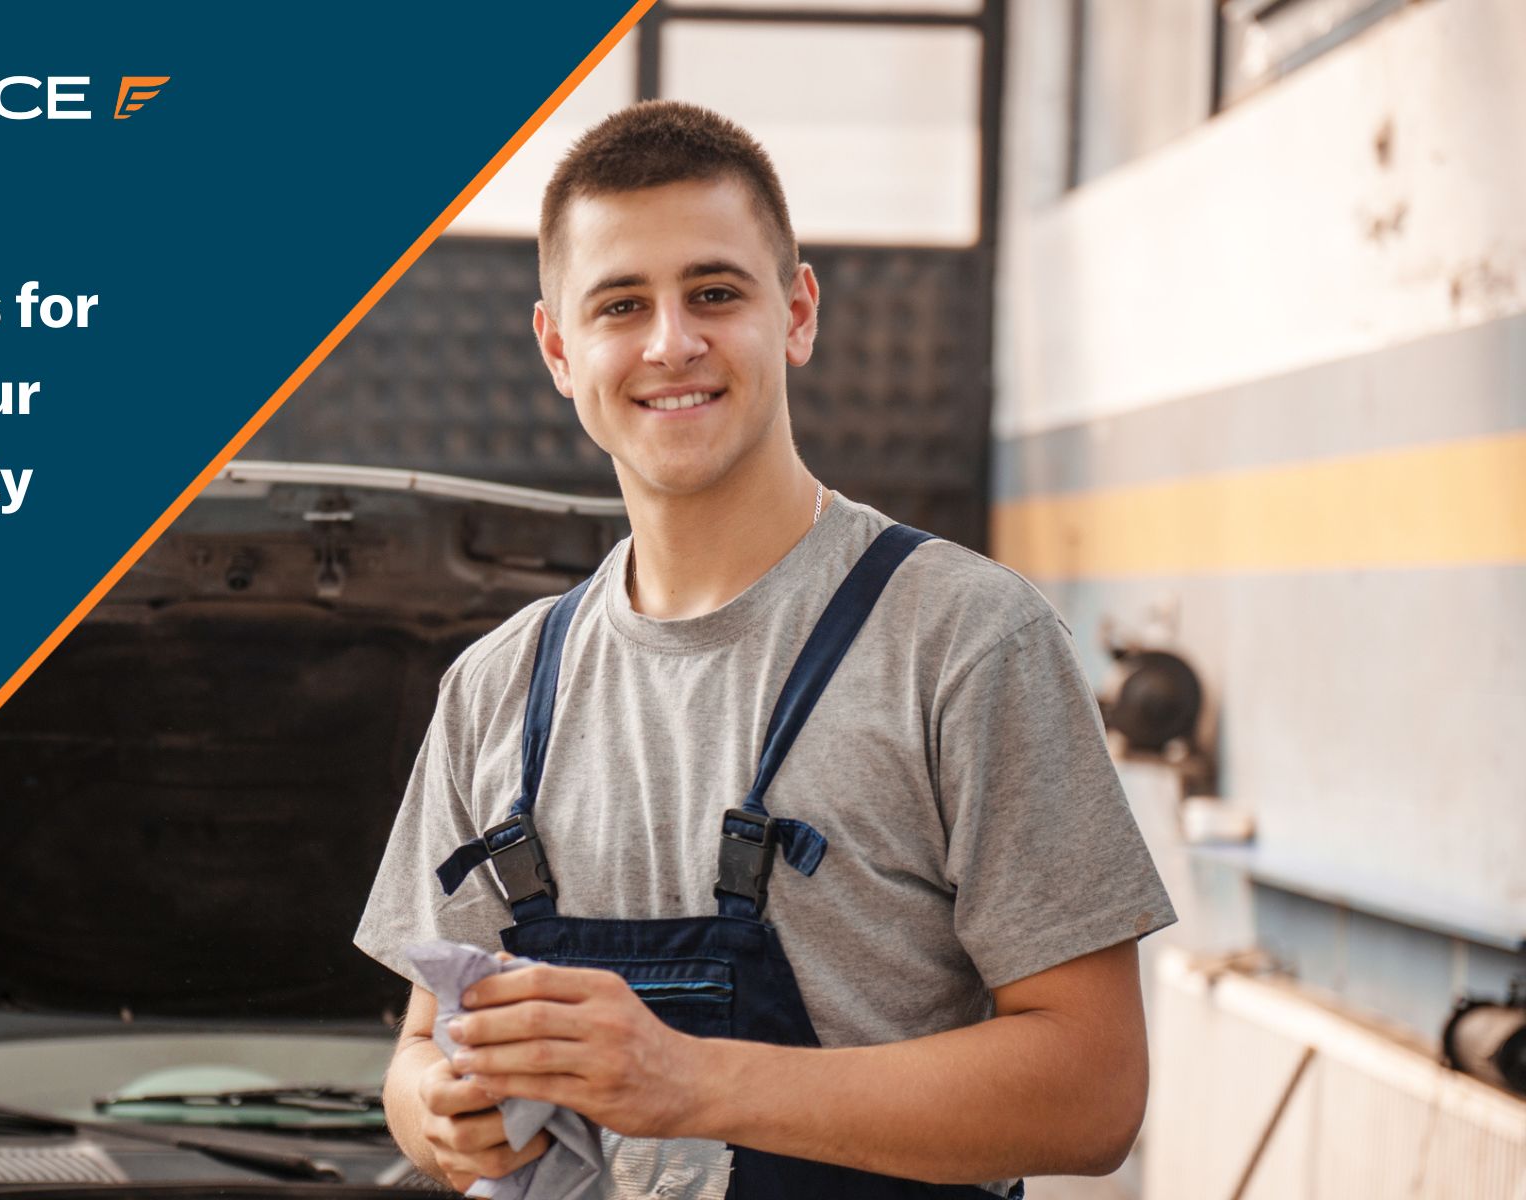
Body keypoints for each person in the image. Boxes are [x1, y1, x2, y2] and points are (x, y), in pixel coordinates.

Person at [353, 101, 1175, 1198]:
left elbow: (1092, 1092)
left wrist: (689, 1083)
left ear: (795, 312)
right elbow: (416, 1050)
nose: (669, 343)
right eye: (619, 305)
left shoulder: (965, 642)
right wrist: (438, 1117)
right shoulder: (494, 689)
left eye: (714, 293)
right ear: (557, 348)